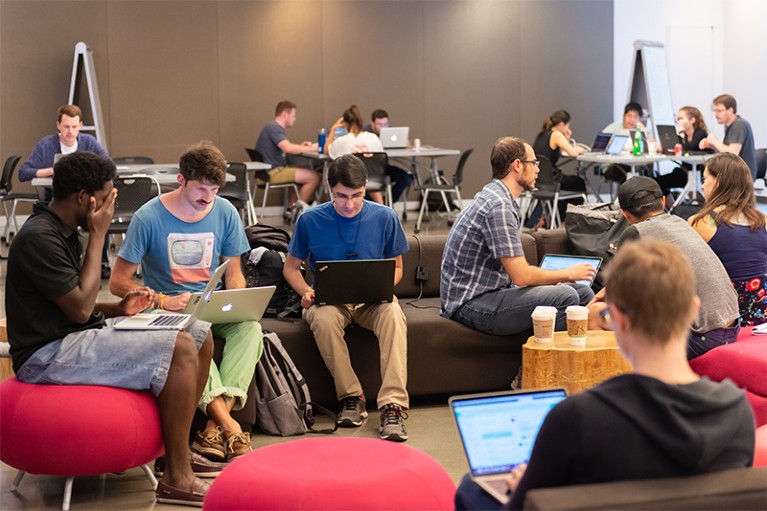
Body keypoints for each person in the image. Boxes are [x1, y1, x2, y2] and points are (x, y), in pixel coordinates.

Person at [454, 240, 755, 511]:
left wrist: (525, 490)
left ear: (617, 320)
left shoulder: (578, 418)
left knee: (472, 489)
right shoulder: (736, 412)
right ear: (693, 310)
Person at [6, 152, 217, 506]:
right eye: (107, 197)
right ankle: (178, 479)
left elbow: (74, 304)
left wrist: (118, 309)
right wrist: (99, 235)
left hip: (72, 336)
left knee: (199, 333)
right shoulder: (38, 237)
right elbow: (78, 308)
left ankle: (173, 455)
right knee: (179, 348)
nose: (110, 206)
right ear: (86, 199)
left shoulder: (62, 230)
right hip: (46, 356)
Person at [110, 141, 263, 463]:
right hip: (167, 311)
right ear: (181, 180)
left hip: (210, 303)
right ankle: (230, 425)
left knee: (249, 328)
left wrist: (237, 297)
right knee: (195, 335)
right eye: (200, 189)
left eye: (214, 190)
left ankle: (212, 426)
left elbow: (234, 271)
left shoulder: (225, 212)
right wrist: (163, 301)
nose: (207, 198)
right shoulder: (148, 217)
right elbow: (118, 282)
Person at [282, 154, 410, 442]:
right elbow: (290, 268)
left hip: (371, 302)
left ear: (366, 187)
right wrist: (306, 291)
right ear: (329, 188)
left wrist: (386, 287)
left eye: (356, 195)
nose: (349, 204)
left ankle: (393, 405)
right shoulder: (310, 220)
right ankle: (352, 397)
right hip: (329, 302)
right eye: (341, 196)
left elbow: (398, 267)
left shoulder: (385, 217)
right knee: (324, 319)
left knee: (392, 314)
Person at [441, 136, 596, 336]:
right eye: (534, 163)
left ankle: (567, 353)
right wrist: (567, 273)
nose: (538, 169)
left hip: (491, 292)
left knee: (583, 293)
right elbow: (521, 276)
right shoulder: (499, 206)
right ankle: (542, 360)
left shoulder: (498, 196)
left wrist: (550, 282)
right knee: (566, 295)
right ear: (517, 165)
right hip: (470, 304)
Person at [614, 176, 740, 358]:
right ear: (663, 201)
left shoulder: (635, 233)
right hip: (732, 324)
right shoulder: (681, 223)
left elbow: (622, 294)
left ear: (624, 213)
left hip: (701, 335)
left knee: (605, 318)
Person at [19, 104, 112, 278]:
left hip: (84, 202)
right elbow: (24, 172)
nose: (70, 131)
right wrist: (52, 170)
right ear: (58, 125)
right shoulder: (46, 145)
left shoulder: (88, 142)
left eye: (74, 127)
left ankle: (102, 263)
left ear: (81, 125)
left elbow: (108, 164)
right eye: (66, 126)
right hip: (56, 200)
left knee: (100, 214)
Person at [688, 153, 767, 325]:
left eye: (705, 179)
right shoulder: (763, 221)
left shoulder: (700, 223)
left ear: (718, 180)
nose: (702, 186)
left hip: (723, 321)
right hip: (761, 318)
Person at [254, 100, 321, 204]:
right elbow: (288, 148)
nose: (295, 119)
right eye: (293, 116)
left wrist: (300, 146)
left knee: (299, 176)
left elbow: (286, 145)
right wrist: (315, 148)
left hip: (269, 171)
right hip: (273, 172)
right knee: (314, 177)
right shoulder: (274, 127)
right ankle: (298, 211)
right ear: (285, 115)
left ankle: (291, 210)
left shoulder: (272, 127)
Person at [531, 109, 587, 222]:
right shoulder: (556, 134)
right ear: (562, 124)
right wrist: (580, 149)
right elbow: (572, 153)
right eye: (567, 126)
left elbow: (561, 150)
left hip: (540, 180)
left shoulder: (542, 134)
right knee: (579, 183)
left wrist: (566, 138)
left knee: (570, 183)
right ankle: (571, 220)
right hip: (553, 180)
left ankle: (558, 218)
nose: (568, 129)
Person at [325, 105, 387, 204]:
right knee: (368, 173)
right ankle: (383, 211)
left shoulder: (341, 141)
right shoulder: (373, 138)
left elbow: (326, 149)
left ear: (345, 123)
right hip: (375, 180)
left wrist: (333, 129)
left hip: (349, 181)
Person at [655, 106, 714, 196]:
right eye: (678, 119)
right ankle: (671, 207)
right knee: (657, 182)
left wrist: (681, 132)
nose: (679, 122)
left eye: (681, 118)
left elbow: (686, 149)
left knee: (660, 181)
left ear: (692, 120)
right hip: (685, 171)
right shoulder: (684, 136)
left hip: (698, 173)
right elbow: (676, 148)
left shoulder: (700, 133)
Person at [700, 94, 757, 179]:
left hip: (742, 175)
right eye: (714, 111)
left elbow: (733, 153)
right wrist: (713, 146)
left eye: (719, 111)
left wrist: (714, 141)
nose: (715, 114)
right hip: (736, 172)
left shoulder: (739, 125)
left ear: (730, 110)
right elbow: (728, 150)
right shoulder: (730, 125)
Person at [362, 108, 413, 203]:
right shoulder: (365, 133)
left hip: (384, 168)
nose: (383, 127)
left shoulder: (390, 132)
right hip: (368, 170)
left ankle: (386, 204)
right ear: (372, 124)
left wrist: (403, 142)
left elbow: (407, 143)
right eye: (379, 124)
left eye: (385, 124)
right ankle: (374, 204)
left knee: (405, 178)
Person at [600, 101, 646, 183]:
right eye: (629, 116)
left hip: (635, 165)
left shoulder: (639, 131)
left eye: (636, 117)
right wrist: (609, 144)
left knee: (647, 173)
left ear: (639, 119)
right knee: (631, 174)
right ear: (623, 116)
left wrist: (643, 129)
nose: (632, 120)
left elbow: (652, 144)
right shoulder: (614, 128)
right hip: (613, 166)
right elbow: (597, 145)